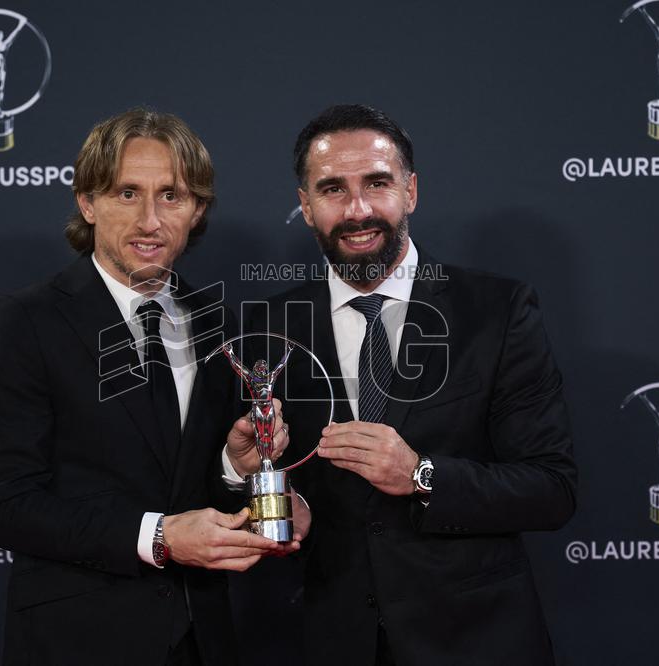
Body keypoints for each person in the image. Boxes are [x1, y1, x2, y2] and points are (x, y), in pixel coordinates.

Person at [244, 104, 578, 665]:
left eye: (377, 183)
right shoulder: (268, 327)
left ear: (411, 190)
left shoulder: (496, 312)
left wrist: (422, 475)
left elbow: (551, 488)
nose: (358, 210)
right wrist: (263, 494)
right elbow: (253, 473)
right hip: (331, 639)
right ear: (304, 206)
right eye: (332, 190)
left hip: (476, 641)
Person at [0, 108, 290, 666]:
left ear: (197, 210)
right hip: (78, 642)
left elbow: (196, 497)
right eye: (127, 193)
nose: (150, 220)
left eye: (172, 196)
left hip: (203, 641)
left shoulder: (219, 324)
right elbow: (10, 505)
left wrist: (233, 468)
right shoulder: (25, 322)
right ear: (87, 203)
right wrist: (160, 536)